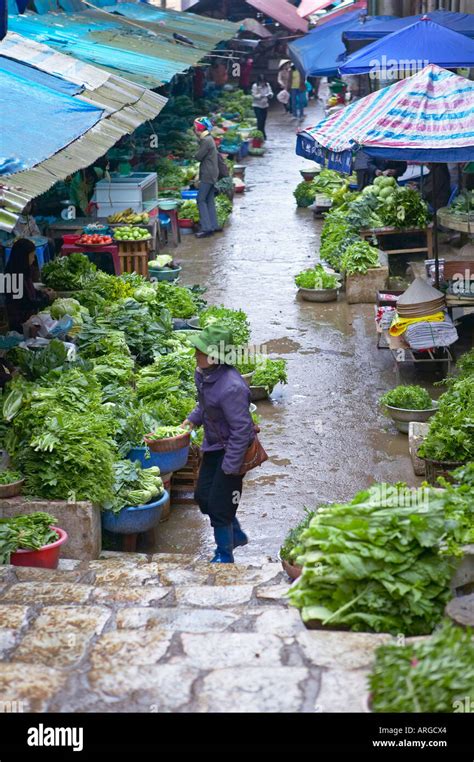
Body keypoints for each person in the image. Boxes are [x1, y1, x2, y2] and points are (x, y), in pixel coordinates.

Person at [182, 324, 255, 564]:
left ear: (214, 356)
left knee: (220, 505)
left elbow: (242, 430)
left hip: (233, 450)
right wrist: (192, 421)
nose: (195, 353)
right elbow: (204, 406)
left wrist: (231, 467)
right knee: (203, 497)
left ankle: (224, 553)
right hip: (213, 446)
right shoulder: (203, 375)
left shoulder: (232, 387)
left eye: (200, 350)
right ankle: (236, 533)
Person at [4, 239, 55, 333]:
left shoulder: (20, 270)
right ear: (23, 257)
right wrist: (47, 297)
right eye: (32, 256)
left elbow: (28, 293)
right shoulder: (14, 277)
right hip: (20, 325)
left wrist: (41, 292)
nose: (34, 259)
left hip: (28, 318)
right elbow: (26, 303)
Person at [193, 117, 221, 239]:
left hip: (207, 174)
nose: (194, 129)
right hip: (212, 173)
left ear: (199, 128)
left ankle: (206, 228)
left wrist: (194, 154)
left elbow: (199, 157)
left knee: (200, 199)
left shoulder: (206, 141)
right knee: (209, 199)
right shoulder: (209, 138)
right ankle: (214, 225)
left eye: (195, 127)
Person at [251, 74, 273, 140]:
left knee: (263, 121)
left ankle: (261, 134)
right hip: (257, 105)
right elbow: (254, 95)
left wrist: (270, 95)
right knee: (259, 120)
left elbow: (270, 92)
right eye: (261, 82)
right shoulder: (255, 86)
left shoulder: (267, 85)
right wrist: (261, 95)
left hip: (265, 105)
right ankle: (260, 134)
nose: (262, 83)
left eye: (263, 82)